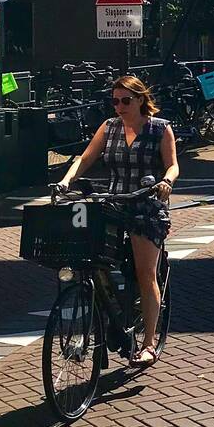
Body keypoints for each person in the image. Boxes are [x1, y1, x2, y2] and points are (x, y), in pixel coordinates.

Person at [57, 74, 179, 365]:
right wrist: (66, 180)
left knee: (144, 273)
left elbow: (173, 165)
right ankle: (101, 322)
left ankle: (148, 343)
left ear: (140, 100)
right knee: (89, 263)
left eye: (125, 100)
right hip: (113, 204)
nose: (119, 106)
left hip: (145, 206)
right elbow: (85, 158)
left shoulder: (160, 129)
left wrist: (166, 182)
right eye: (115, 101)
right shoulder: (109, 127)